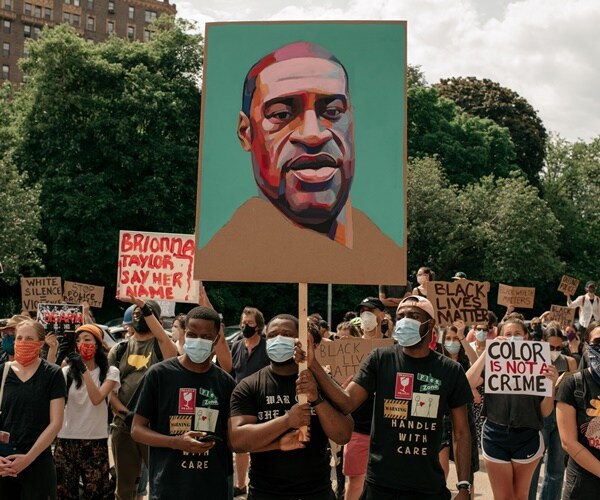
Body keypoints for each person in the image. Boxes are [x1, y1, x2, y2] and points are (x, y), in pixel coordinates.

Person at [196, 41, 405, 284]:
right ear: (246, 133)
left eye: (333, 112)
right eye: (282, 114)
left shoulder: (383, 254)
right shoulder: (224, 253)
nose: (313, 134)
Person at [305, 295, 474, 499]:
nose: (405, 320)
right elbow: (347, 402)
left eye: (413, 316)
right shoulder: (380, 359)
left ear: (430, 324)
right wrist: (312, 363)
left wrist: (464, 486)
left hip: (428, 487)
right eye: (401, 316)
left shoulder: (450, 370)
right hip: (381, 486)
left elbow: (462, 432)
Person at [229, 313, 353, 499]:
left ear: (299, 340)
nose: (278, 339)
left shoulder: (318, 381)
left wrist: (317, 399)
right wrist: (287, 421)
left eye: (286, 334)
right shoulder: (249, 386)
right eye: (272, 335)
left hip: (316, 492)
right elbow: (237, 442)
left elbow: (343, 435)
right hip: (265, 493)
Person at [131, 306, 236, 500]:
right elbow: (137, 430)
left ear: (216, 340)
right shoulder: (159, 375)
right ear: (184, 334)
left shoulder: (225, 383)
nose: (198, 340)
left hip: (213, 488)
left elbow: (234, 438)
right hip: (168, 487)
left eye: (206, 337)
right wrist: (174, 442)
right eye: (192, 334)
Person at [466, 317, 558, 500]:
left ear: (526, 337)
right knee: (503, 497)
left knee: (520, 496)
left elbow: (546, 412)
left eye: (517, 334)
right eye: (507, 334)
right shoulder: (493, 362)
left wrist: (552, 385)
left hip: (528, 436)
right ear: (499, 337)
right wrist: (487, 352)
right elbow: (467, 382)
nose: (512, 338)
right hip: (495, 435)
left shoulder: (539, 365)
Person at [108, 297, 178, 500]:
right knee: (124, 488)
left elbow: (167, 344)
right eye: (136, 313)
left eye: (144, 313)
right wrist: (126, 414)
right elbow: (110, 392)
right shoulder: (119, 350)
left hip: (154, 426)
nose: (139, 316)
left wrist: (145, 307)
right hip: (123, 425)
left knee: (161, 482)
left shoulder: (161, 345)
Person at [0, 319, 66, 499]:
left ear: (40, 343)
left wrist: (28, 458)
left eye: (29, 338)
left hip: (37, 462)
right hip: (4, 464)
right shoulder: (3, 372)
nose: (22, 342)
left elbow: (56, 422)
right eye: (19, 338)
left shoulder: (52, 374)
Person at [54, 324, 120, 499]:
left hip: (95, 442)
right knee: (64, 494)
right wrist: (57, 354)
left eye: (87, 339)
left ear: (98, 344)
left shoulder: (110, 372)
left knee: (97, 494)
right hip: (66, 440)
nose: (82, 343)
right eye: (78, 340)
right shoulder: (66, 372)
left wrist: (83, 369)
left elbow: (97, 398)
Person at [343, 297, 386, 500]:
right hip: (359, 427)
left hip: (387, 429)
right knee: (355, 484)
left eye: (371, 310)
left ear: (382, 315)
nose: (366, 315)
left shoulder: (393, 346)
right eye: (362, 311)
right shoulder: (349, 350)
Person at [528, 326, 577, 500]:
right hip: (541, 416)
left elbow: (573, 391)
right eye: (550, 347)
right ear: (542, 343)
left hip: (562, 417)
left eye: (558, 348)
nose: (554, 352)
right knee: (533, 467)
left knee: (556, 469)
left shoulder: (569, 362)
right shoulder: (533, 362)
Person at [555, 320, 600, 499]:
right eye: (598, 342)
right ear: (587, 345)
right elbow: (568, 443)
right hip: (584, 486)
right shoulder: (573, 384)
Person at [230, 307, 270, 497]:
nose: (245, 327)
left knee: (261, 443)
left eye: (250, 324)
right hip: (241, 403)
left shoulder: (267, 347)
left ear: (259, 327)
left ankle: (260, 481)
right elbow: (232, 372)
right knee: (240, 445)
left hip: (262, 401)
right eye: (243, 323)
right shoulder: (236, 346)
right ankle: (240, 484)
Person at [438, 321, 479, 497]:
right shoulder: (436, 361)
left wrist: (462, 336)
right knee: (440, 470)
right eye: (448, 338)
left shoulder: (466, 363)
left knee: (467, 472)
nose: (451, 342)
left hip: (463, 418)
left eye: (455, 339)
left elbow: (478, 362)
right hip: (441, 418)